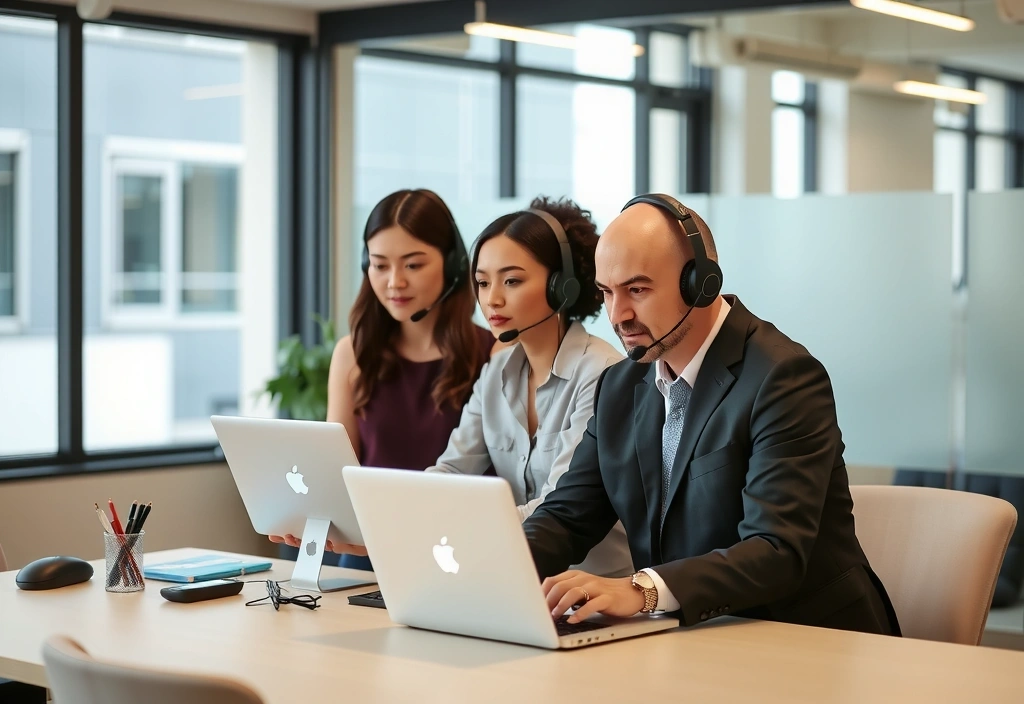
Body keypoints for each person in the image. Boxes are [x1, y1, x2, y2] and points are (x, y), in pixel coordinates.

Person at [524, 193, 901, 635]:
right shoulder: (621, 385)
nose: (617, 314)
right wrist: (492, 567)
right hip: (691, 638)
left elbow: (774, 549)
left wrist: (642, 590)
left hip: (805, 638)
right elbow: (568, 515)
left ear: (700, 284)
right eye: (607, 293)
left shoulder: (784, 378)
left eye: (637, 290)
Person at [270, 189, 493, 567]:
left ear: (454, 265)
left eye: (413, 265)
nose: (394, 283)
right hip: (364, 557)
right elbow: (336, 473)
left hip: (451, 555)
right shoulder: (352, 354)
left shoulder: (493, 355)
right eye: (380, 265)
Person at [425, 197, 633, 577]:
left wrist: (458, 524)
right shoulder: (496, 369)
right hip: (518, 579)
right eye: (483, 282)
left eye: (512, 280)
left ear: (562, 288)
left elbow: (557, 506)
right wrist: (403, 511)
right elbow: (453, 470)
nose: (492, 299)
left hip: (595, 589)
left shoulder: (604, 374)